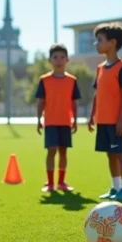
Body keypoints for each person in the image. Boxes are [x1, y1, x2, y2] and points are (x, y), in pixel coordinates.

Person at [87, 23, 122, 200]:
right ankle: (115, 188)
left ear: (113, 42)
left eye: (99, 40)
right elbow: (97, 94)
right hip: (103, 120)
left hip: (116, 121)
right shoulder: (100, 68)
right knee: (110, 154)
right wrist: (92, 116)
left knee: (120, 154)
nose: (96, 44)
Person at [36, 44, 81, 192]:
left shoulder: (72, 80)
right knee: (51, 150)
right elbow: (40, 101)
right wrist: (38, 119)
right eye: (55, 57)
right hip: (50, 122)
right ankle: (50, 183)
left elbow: (74, 102)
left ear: (67, 59)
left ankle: (61, 182)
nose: (59, 60)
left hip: (65, 122)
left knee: (63, 152)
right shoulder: (44, 80)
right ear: (50, 60)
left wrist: (75, 119)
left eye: (62, 57)